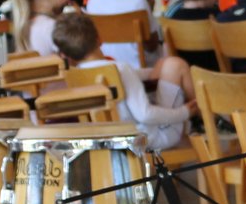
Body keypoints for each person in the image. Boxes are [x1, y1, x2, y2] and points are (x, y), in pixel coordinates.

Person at [50, 10, 193, 154]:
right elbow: (144, 114)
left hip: (110, 141)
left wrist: (158, 68)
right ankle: (200, 118)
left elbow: (133, 75)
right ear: (99, 39)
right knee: (175, 64)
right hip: (146, 139)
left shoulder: (76, 75)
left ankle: (197, 125)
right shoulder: (121, 69)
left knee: (165, 64)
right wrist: (184, 112)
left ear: (67, 54)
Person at [167, 0, 220, 72]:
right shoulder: (218, 17)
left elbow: (167, 53)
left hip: (185, 78)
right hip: (215, 78)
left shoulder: (172, 17)